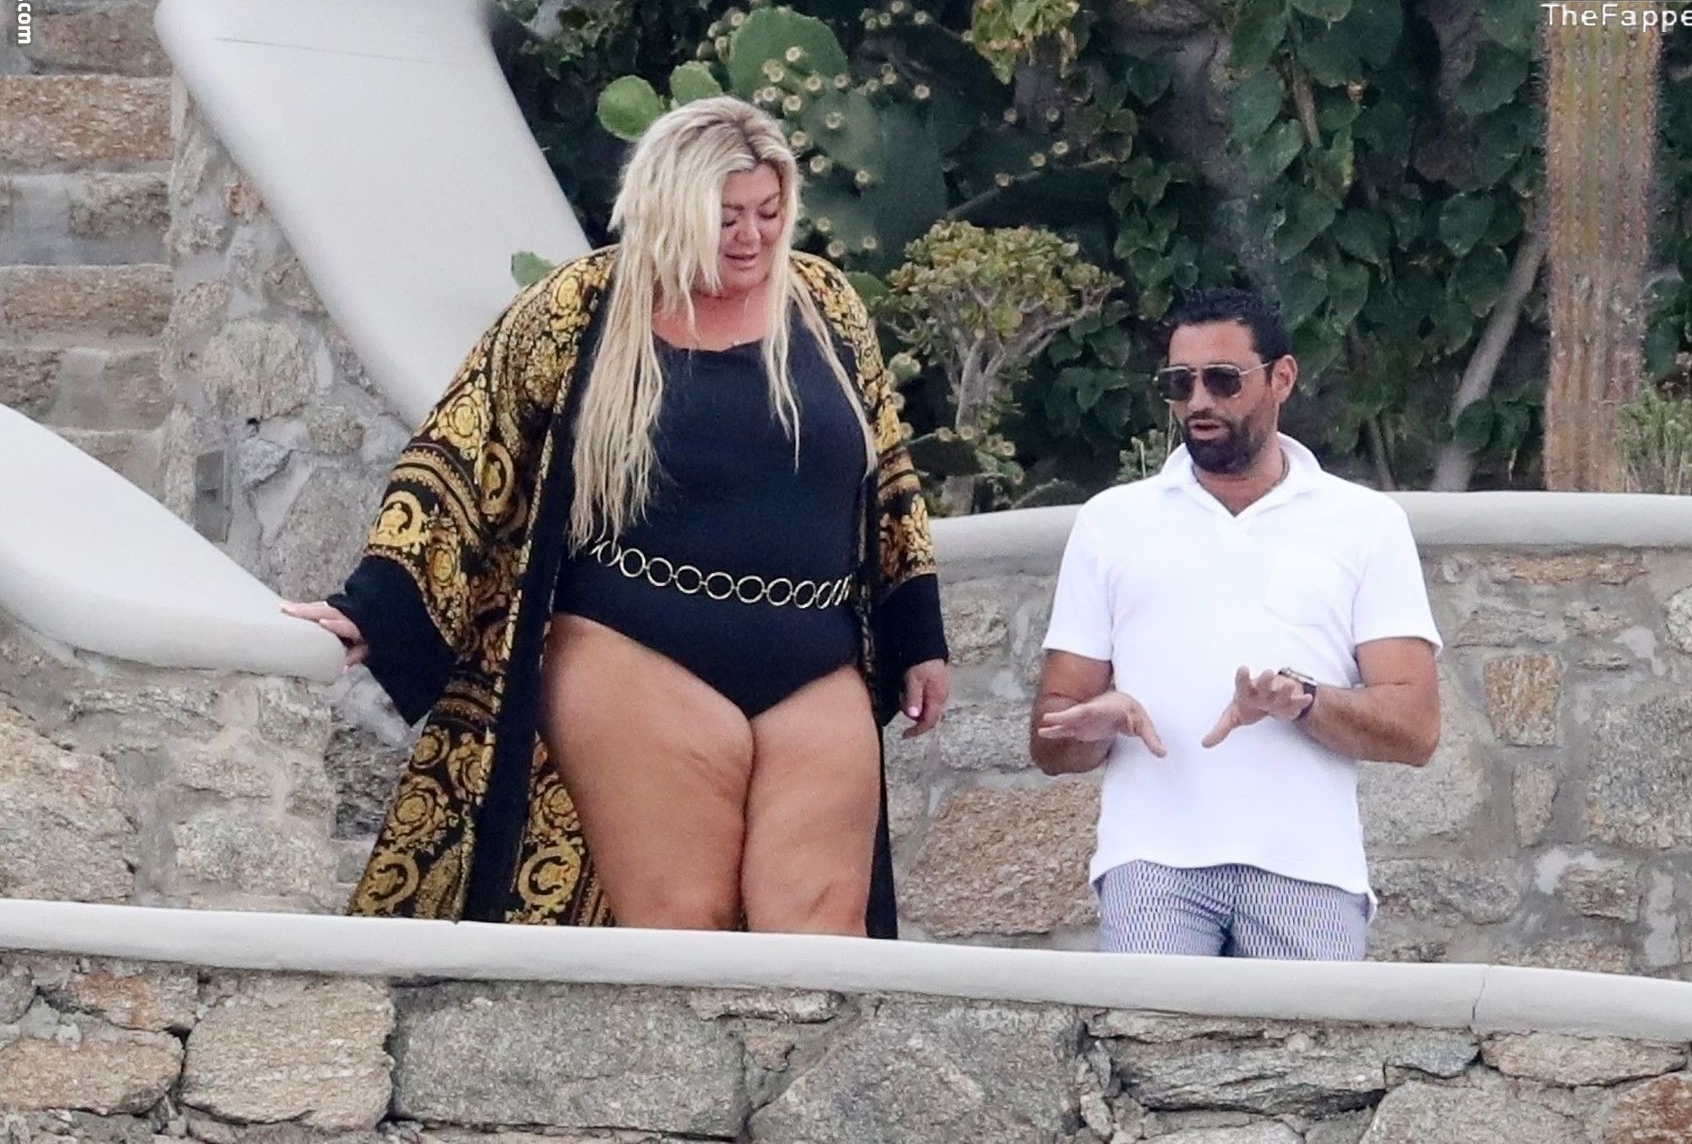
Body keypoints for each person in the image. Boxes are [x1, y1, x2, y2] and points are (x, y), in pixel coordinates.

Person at [284, 96, 950, 936]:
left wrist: (917, 632)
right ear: (668, 208)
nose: (751, 237)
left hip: (814, 654)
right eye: (725, 218)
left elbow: (888, 468)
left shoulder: (825, 304)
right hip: (634, 642)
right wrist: (375, 606)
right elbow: (469, 443)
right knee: (682, 919)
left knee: (821, 929)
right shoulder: (578, 308)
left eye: (768, 212)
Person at [1029, 287, 1440, 959]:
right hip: (1151, 865)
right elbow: (1051, 738)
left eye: (1222, 380)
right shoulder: (1111, 523)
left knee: (1308, 1036)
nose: (1198, 402)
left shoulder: (1366, 524)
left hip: (1308, 870)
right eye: (1178, 383)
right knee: (1152, 1030)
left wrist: (1302, 701)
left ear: (1282, 378)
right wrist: (1093, 726)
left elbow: (1416, 729)